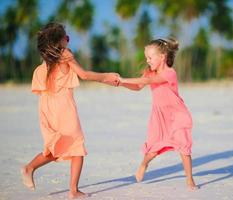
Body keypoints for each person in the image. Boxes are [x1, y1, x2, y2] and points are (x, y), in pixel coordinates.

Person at [20, 22, 119, 199]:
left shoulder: (46, 62)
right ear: (59, 41)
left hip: (46, 108)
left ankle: (30, 167)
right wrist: (108, 76)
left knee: (57, 145)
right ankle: (73, 191)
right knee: (77, 147)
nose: (68, 40)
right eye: (66, 38)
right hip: (63, 107)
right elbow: (85, 75)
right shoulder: (65, 54)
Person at [118, 38, 197, 190]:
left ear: (162, 57)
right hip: (160, 117)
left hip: (177, 115)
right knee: (153, 149)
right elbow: (139, 86)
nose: (147, 61)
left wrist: (123, 78)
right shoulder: (148, 72)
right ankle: (144, 164)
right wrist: (122, 83)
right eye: (146, 58)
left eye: (150, 57)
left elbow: (150, 81)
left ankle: (190, 180)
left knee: (183, 147)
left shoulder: (170, 73)